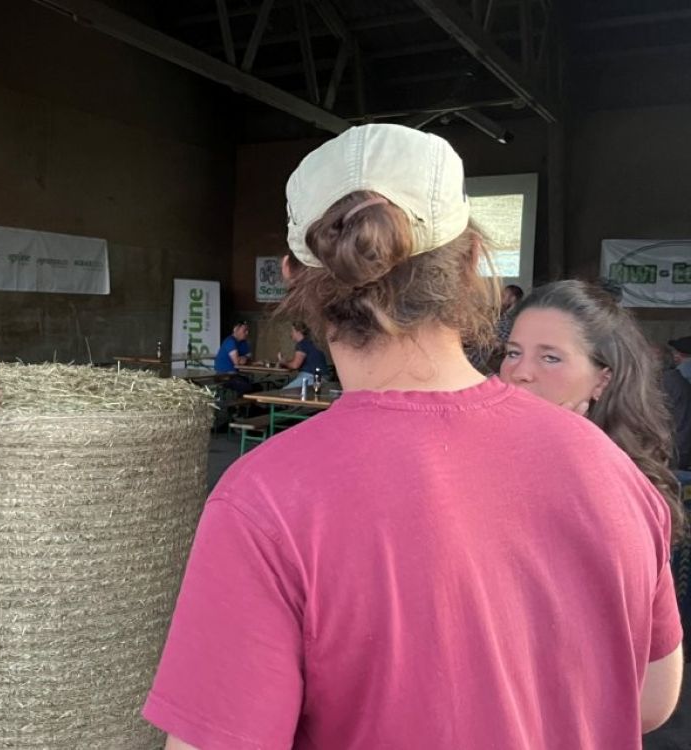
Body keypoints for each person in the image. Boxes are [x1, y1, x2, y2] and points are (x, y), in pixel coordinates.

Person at [143, 124, 682, 749]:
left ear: (292, 276)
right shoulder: (609, 468)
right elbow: (651, 699)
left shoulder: (265, 500)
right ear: (473, 263)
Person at [500, 280, 684, 519]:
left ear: (602, 380)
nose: (520, 373)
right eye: (513, 353)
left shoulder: (619, 482)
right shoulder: (485, 445)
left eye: (550, 358)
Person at [277, 322, 328, 391]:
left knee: (283, 393)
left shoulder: (302, 344)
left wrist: (283, 362)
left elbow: (295, 365)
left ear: (298, 332)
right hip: (322, 378)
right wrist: (287, 364)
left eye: (292, 331)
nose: (291, 334)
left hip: (312, 378)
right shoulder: (312, 343)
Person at [213, 320, 255, 395]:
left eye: (248, 330)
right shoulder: (230, 341)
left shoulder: (243, 342)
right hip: (224, 376)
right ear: (236, 329)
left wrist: (243, 358)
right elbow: (237, 362)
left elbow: (249, 358)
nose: (247, 333)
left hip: (235, 374)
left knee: (257, 386)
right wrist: (243, 358)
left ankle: (244, 402)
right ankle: (240, 402)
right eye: (244, 330)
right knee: (247, 387)